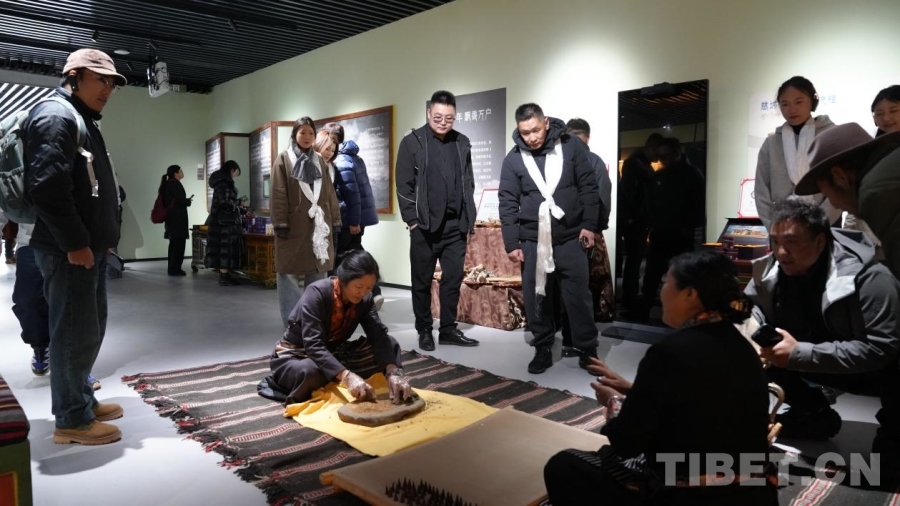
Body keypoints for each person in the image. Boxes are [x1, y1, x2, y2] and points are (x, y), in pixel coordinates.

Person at [544, 251, 776, 506]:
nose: (661, 291)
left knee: (563, 465)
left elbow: (626, 442)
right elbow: (702, 403)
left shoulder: (670, 352)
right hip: (754, 493)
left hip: (693, 495)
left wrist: (613, 402)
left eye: (666, 282)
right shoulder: (742, 347)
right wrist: (634, 390)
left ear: (690, 294)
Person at [744, 199, 900, 480]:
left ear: (819, 241)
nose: (781, 251)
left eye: (792, 242)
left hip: (879, 368)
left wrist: (800, 353)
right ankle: (813, 413)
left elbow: (881, 348)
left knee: (888, 472)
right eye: (775, 241)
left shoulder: (871, 278)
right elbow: (751, 308)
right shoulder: (770, 271)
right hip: (814, 357)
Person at [23, 48, 126, 445]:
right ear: (74, 76)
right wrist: (76, 243)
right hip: (69, 252)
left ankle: (82, 399)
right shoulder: (57, 116)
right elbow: (47, 188)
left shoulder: (79, 117)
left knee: (87, 330)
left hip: (86, 250)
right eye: (100, 79)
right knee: (71, 333)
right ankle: (71, 420)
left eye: (112, 83)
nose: (107, 89)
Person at [498, 103, 599, 374]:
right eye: (525, 132)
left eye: (535, 130)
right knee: (537, 297)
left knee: (578, 296)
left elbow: (588, 187)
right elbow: (507, 202)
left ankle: (587, 349)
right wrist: (512, 242)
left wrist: (590, 225)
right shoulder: (514, 158)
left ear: (545, 123)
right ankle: (542, 346)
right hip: (533, 240)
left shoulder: (571, 146)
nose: (531, 137)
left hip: (571, 236)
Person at [263, 250, 413, 405]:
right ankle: (339, 374)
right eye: (359, 286)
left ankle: (337, 373)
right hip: (299, 354)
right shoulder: (316, 293)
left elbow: (378, 335)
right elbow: (313, 345)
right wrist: (348, 376)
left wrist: (392, 372)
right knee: (310, 372)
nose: (363, 292)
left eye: (369, 288)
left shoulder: (365, 299)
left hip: (334, 353)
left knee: (390, 344)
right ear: (343, 279)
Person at [396, 90, 479, 351]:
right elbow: (404, 186)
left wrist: (468, 216)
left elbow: (469, 180)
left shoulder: (462, 142)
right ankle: (424, 329)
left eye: (449, 118)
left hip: (455, 226)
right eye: (438, 117)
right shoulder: (412, 142)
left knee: (452, 280)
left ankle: (448, 329)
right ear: (428, 113)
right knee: (421, 281)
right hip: (424, 226)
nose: (443, 122)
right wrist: (412, 221)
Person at [795, 122, 900, 278]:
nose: (835, 205)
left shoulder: (874, 193)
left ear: (840, 177)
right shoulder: (890, 167)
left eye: (828, 195)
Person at [11, 223, 102, 387]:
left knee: (73, 304)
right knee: (27, 300)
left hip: (72, 242)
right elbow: (8, 208)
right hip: (30, 242)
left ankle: (77, 370)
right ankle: (40, 347)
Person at [272, 117, 342, 328]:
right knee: (289, 275)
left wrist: (335, 220)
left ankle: (314, 323)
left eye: (311, 133)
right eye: (302, 132)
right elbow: (278, 193)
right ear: (295, 134)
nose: (307, 137)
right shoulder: (284, 159)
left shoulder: (319, 161)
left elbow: (329, 193)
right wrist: (280, 223)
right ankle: (293, 325)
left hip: (318, 227)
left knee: (318, 275)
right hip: (293, 227)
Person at [633, 137, 705, 321]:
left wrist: (688, 228)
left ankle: (683, 315)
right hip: (660, 233)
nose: (662, 160)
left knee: (681, 276)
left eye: (665, 156)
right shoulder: (660, 176)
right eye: (659, 157)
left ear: (677, 153)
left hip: (681, 235)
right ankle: (645, 311)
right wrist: (650, 224)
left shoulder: (691, 175)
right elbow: (650, 204)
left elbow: (698, 206)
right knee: (652, 275)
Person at [754, 76, 839, 230]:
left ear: (812, 101)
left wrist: (818, 225)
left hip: (825, 226)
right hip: (781, 227)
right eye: (785, 104)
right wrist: (774, 226)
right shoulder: (771, 144)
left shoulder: (831, 137)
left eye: (799, 102)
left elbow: (839, 187)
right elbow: (761, 191)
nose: (792, 109)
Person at [322, 122, 384, 309]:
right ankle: (371, 294)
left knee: (341, 259)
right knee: (356, 255)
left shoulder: (341, 161)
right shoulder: (353, 157)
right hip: (354, 219)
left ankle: (345, 300)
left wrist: (354, 221)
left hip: (348, 220)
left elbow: (352, 194)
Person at [841, 86, 900, 252]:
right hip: (873, 240)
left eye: (894, 110)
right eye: (879, 113)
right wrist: (848, 235)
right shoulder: (868, 152)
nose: (886, 118)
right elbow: (856, 196)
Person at [618, 133, 663, 311]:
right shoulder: (636, 164)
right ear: (652, 148)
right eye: (658, 152)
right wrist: (634, 216)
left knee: (634, 260)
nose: (659, 157)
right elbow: (632, 193)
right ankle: (630, 298)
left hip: (635, 219)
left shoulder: (637, 163)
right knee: (634, 260)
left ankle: (630, 297)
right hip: (636, 220)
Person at [205, 160, 251, 286]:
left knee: (224, 248)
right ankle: (224, 275)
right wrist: (239, 202)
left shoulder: (221, 183)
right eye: (236, 172)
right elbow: (224, 202)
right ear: (232, 170)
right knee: (225, 248)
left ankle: (226, 273)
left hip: (222, 221)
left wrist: (242, 210)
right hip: (225, 224)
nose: (235, 175)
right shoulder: (224, 184)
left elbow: (226, 202)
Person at [159, 164, 193, 276]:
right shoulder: (174, 184)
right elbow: (180, 200)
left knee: (173, 244)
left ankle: (172, 268)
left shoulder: (168, 184)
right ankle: (175, 269)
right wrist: (188, 201)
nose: (182, 172)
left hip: (172, 218)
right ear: (176, 173)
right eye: (181, 171)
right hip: (177, 218)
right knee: (179, 244)